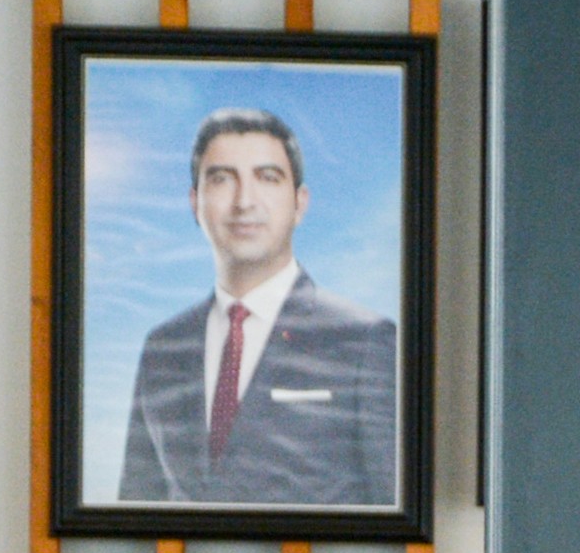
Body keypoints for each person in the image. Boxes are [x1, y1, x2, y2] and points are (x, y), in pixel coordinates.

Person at [113, 106, 410, 510]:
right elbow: (135, 510)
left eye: (267, 178)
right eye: (222, 179)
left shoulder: (363, 341)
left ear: (300, 204)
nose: (244, 201)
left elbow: (393, 510)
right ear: (195, 202)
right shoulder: (164, 347)